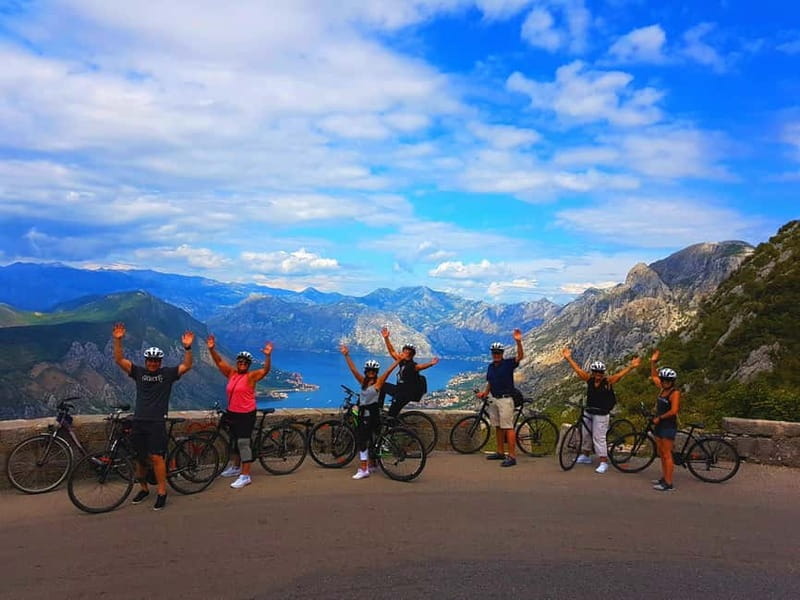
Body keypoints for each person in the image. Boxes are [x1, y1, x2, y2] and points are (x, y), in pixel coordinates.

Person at [112, 322, 193, 511]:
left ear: (160, 362)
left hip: (156, 422)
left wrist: (188, 348)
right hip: (139, 421)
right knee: (140, 459)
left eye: (156, 361)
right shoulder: (139, 373)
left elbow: (187, 366)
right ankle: (144, 489)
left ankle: (162, 492)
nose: (153, 363)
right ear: (146, 361)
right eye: (150, 360)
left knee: (156, 457)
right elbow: (119, 360)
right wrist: (118, 340)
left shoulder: (167, 374)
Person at [206, 335, 273, 489]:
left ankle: (245, 476)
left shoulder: (251, 376)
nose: (242, 364)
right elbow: (219, 362)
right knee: (234, 441)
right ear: (237, 363)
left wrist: (268, 356)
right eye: (240, 362)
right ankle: (236, 467)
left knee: (243, 443)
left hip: (246, 415)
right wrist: (211, 349)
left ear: (248, 365)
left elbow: (266, 370)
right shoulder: (231, 373)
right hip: (232, 413)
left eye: (245, 363)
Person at [562, 348, 640, 474]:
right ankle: (586, 455)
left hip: (601, 414)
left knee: (599, 438)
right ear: (593, 373)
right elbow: (578, 370)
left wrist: (631, 366)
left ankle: (603, 462)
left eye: (600, 372)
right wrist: (568, 358)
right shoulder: (589, 380)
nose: (598, 374)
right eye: (596, 372)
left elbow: (619, 375)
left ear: (603, 373)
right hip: (589, 411)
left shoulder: (608, 382)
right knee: (586, 435)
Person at [340, 345, 400, 480]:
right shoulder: (363, 382)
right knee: (372, 440)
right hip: (370, 415)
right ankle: (373, 464)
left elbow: (388, 371)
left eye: (373, 371)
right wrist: (346, 355)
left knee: (362, 441)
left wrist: (398, 360)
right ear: (366, 371)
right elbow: (353, 370)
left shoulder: (378, 383)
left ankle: (364, 469)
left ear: (376, 372)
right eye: (369, 371)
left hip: (368, 416)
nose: (371, 373)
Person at [476, 329, 524, 467]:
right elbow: (490, 382)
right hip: (494, 399)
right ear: (492, 354)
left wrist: (518, 342)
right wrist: (485, 393)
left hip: (506, 400)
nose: (496, 355)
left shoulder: (508, 363)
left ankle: (512, 456)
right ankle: (500, 452)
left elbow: (520, 357)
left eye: (498, 353)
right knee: (497, 426)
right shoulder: (491, 367)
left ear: (502, 354)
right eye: (494, 353)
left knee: (508, 427)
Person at [380, 327, 439, 417]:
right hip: (398, 390)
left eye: (405, 351)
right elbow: (392, 351)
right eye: (404, 351)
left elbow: (420, 367)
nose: (402, 353)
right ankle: (379, 408)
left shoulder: (412, 365)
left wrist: (430, 364)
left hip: (405, 394)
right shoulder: (402, 362)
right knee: (381, 385)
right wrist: (386, 338)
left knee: (391, 415)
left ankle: (393, 423)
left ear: (409, 354)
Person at [649, 350, 680, 492]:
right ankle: (664, 477)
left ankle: (669, 483)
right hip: (659, 425)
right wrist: (653, 362)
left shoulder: (674, 393)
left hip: (668, 425)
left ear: (672, 382)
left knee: (667, 454)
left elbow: (674, 411)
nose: (664, 383)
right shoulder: (662, 389)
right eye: (663, 381)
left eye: (668, 381)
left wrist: (660, 418)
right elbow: (654, 376)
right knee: (661, 452)